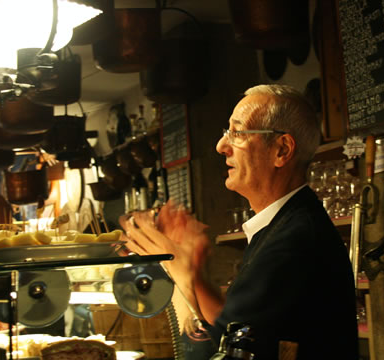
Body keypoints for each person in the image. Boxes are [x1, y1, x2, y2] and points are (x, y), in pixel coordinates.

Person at [120, 84, 359, 360]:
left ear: (281, 150)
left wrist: (178, 271)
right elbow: (235, 329)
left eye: (237, 133)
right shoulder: (283, 225)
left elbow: (220, 353)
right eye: (226, 133)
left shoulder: (293, 241)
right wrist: (194, 275)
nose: (221, 146)